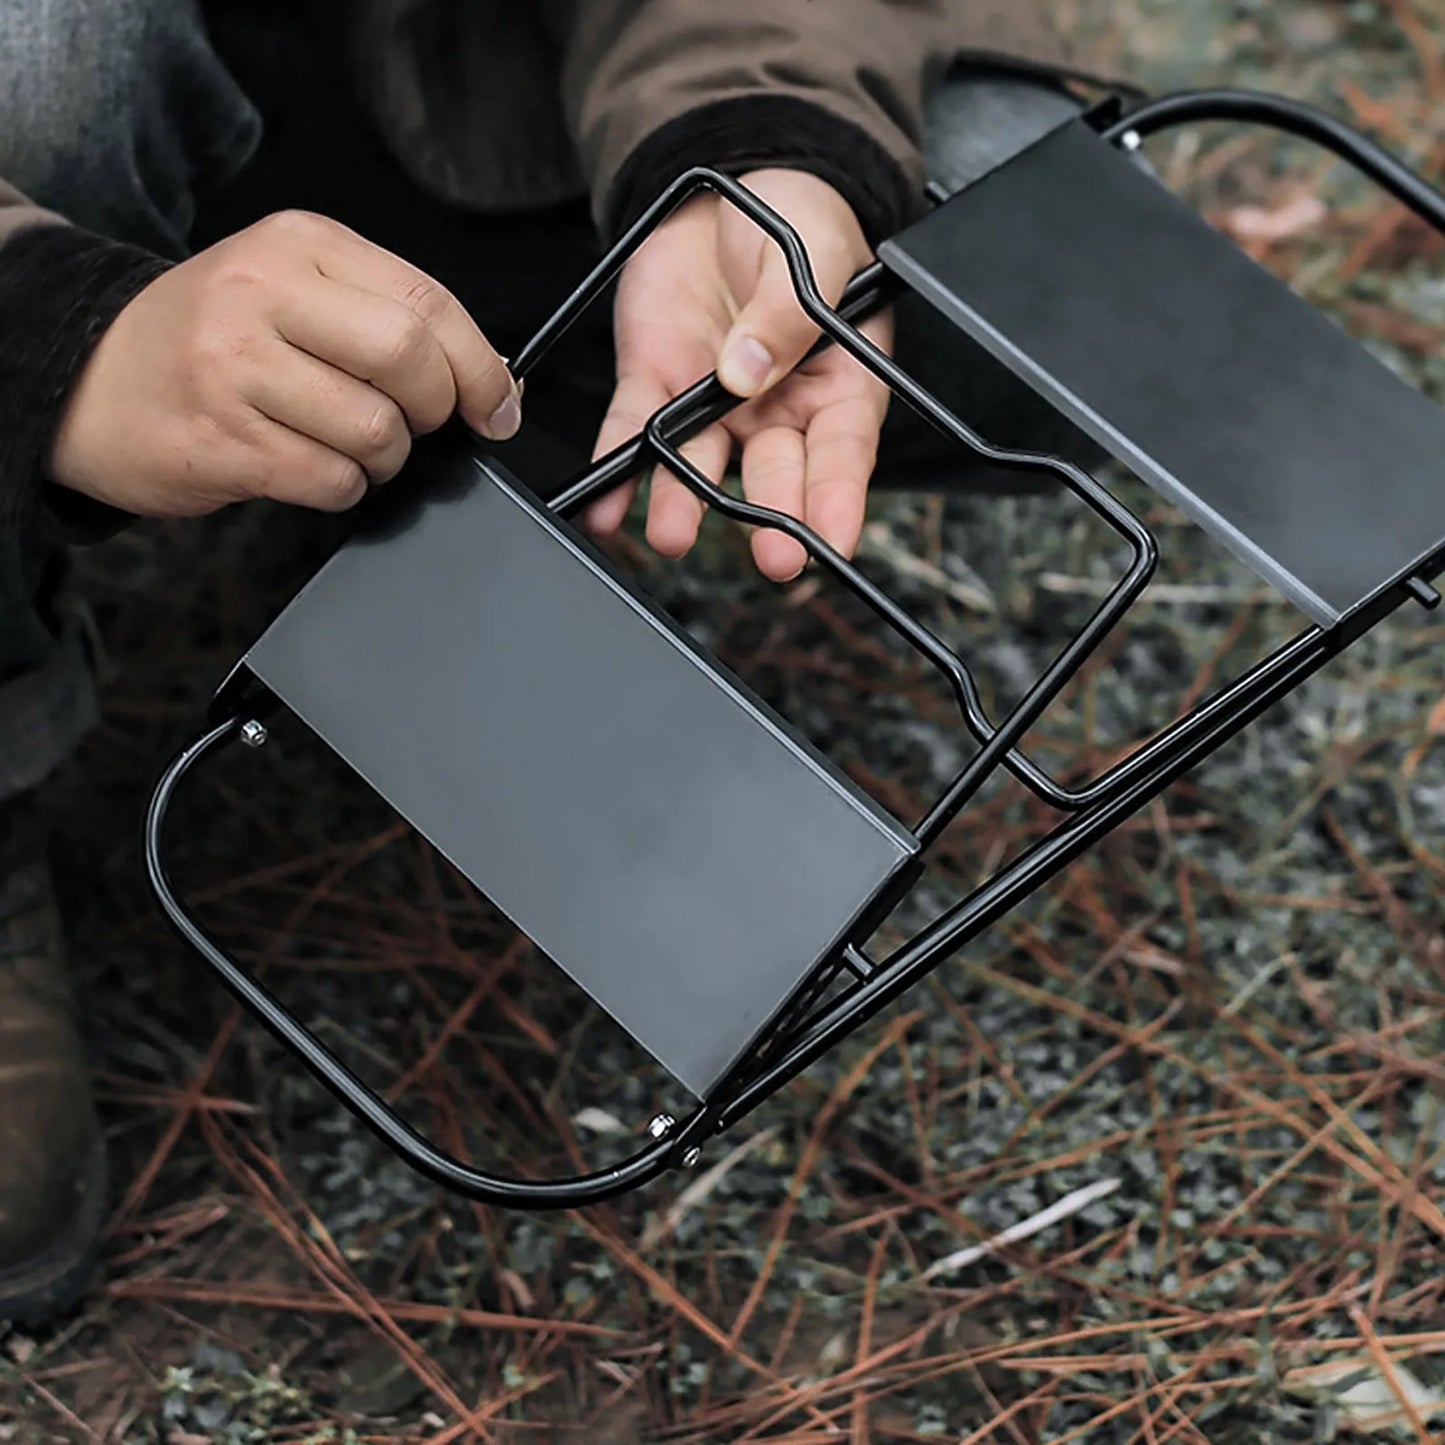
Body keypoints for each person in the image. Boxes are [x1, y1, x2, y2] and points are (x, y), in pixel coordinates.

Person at [0, 0, 1112, 1323]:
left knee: (1061, 253)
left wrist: (749, 133)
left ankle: (403, 409)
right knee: (51, 54)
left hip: (447, 83)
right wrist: (37, 325)